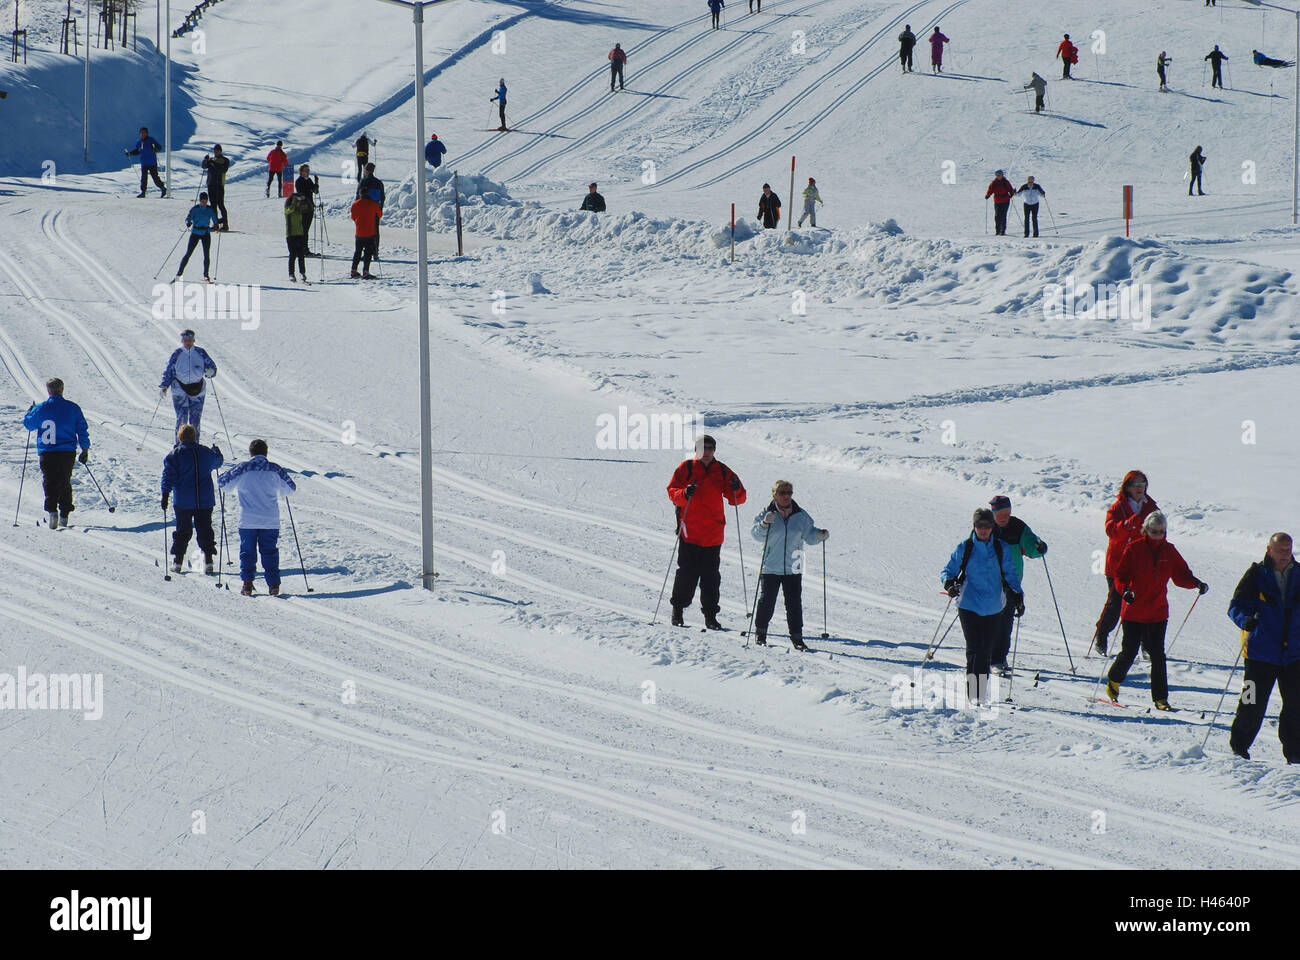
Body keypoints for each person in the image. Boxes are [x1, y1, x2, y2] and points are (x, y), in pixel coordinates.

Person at [1106, 511, 1207, 708]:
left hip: (1158, 612)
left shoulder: (1169, 551)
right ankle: (1114, 680)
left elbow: (1181, 575)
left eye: (1161, 531)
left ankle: (1161, 698)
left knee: (1158, 655)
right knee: (1130, 651)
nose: (1158, 535)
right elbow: (1121, 576)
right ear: (1146, 530)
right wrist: (1125, 591)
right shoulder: (1135, 549)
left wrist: (1196, 583)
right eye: (1154, 531)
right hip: (1134, 611)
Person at [1228, 533, 1300, 762]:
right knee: (1251, 703)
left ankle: (1295, 755)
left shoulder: (1299, 574)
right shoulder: (1256, 574)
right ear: (1269, 550)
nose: (1284, 554)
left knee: (1296, 706)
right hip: (1259, 653)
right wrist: (1245, 620)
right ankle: (1239, 748)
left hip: (1293, 655)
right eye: (1280, 550)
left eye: (1288, 550)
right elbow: (1235, 606)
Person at [941, 508, 1023, 706]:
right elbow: (948, 570)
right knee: (974, 648)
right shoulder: (965, 547)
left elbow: (1010, 575)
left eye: (987, 526)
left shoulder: (1000, 548)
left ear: (992, 527)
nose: (983, 530)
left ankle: (981, 693)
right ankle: (974, 695)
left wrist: (1018, 596)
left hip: (994, 606)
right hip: (968, 605)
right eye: (979, 526)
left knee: (986, 650)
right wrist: (950, 584)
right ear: (974, 526)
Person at [666, 434, 747, 629]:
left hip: (713, 533)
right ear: (697, 449)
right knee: (687, 574)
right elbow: (672, 492)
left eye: (710, 448)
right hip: (690, 532)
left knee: (711, 578)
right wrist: (685, 493)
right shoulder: (687, 467)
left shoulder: (722, 470)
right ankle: (678, 610)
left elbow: (738, 499)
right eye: (704, 448)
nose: (707, 452)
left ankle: (710, 616)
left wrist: (736, 489)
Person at [750, 480, 827, 651]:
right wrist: (764, 524)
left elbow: (809, 535)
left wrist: (819, 535)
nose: (786, 496)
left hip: (795, 565)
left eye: (789, 492)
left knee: (794, 603)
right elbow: (756, 535)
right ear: (774, 495)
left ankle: (797, 637)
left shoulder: (801, 515)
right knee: (767, 602)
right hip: (771, 565)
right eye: (782, 493)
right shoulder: (767, 513)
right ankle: (760, 633)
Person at [218, 439, 297, 597]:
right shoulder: (275, 469)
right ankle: (273, 585)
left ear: (251, 453)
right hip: (270, 519)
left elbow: (222, 482)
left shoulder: (243, 468)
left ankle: (247, 584)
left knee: (247, 552)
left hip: (248, 519)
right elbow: (291, 488)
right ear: (266, 452)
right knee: (269, 551)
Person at [1092, 470, 1159, 655]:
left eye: (1142, 484)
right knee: (1115, 604)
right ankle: (1102, 635)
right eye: (1136, 485)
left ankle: (1145, 644)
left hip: (1142, 565)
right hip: (1118, 565)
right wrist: (1128, 525)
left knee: (1143, 605)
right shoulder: (1118, 507)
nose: (1139, 488)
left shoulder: (1151, 507)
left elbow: (1159, 531)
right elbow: (1110, 530)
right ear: (1127, 487)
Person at [21, 377, 90, 530]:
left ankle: (52, 511)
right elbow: (82, 429)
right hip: (67, 451)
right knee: (65, 480)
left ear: (48, 391)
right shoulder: (73, 408)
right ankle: (65, 512)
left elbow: (29, 425)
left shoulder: (41, 408)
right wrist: (85, 449)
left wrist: (29, 412)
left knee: (49, 480)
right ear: (62, 389)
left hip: (47, 451)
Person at [988, 495, 1045, 672]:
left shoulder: (1018, 527)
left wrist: (1039, 548)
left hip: (1011, 582)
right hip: (989, 581)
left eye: (1007, 512)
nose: (1004, 516)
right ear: (993, 513)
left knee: (1005, 623)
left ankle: (998, 659)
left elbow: (1031, 546)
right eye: (1000, 513)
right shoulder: (986, 527)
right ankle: (990, 657)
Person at [161, 424, 223, 574]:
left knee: (183, 530)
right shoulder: (205, 452)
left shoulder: (174, 455)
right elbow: (218, 462)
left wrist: (165, 494)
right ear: (195, 436)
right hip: (205, 500)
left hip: (183, 500)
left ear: (179, 437)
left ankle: (178, 561)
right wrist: (217, 452)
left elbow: (168, 476)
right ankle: (208, 561)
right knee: (205, 529)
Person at [159, 329, 217, 441]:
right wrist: (164, 386)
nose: (188, 342)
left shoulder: (200, 353)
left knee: (195, 419)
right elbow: (169, 370)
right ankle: (179, 445)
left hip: (198, 389)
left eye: (190, 340)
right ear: (182, 341)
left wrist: (211, 371)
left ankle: (194, 444)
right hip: (180, 388)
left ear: (194, 340)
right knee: (182, 419)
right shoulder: (177, 354)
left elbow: (212, 366)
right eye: (185, 340)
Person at [174, 193, 218, 281]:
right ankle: (179, 274)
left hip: (205, 233)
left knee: (206, 254)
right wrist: (188, 223)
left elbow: (215, 221)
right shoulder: (195, 209)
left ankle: (206, 275)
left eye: (205, 201)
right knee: (188, 253)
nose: (204, 203)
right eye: (202, 201)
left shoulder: (210, 210)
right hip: (195, 233)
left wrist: (215, 226)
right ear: (200, 201)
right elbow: (188, 219)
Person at [350, 186, 382, 279]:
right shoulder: (373, 204)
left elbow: (353, 217)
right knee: (368, 253)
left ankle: (353, 270)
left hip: (359, 232)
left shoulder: (355, 204)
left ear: (360, 194)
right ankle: (365, 271)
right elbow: (380, 214)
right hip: (370, 232)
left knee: (357, 252)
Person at [126, 126, 167, 198]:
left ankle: (163, 188)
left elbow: (159, 147)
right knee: (144, 178)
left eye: (144, 133)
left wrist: (156, 149)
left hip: (152, 162)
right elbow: (137, 150)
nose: (142, 134)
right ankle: (143, 192)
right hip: (144, 163)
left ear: (147, 133)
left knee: (155, 177)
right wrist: (130, 153)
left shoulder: (151, 140)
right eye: (141, 133)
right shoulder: (139, 141)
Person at [201, 144, 232, 231]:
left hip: (219, 184)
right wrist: (205, 160)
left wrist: (213, 163)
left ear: (221, 151)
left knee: (220, 204)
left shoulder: (225, 160)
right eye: (215, 150)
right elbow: (203, 166)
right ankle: (215, 224)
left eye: (218, 150)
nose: (216, 152)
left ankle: (225, 224)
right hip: (211, 184)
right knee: (213, 205)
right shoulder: (211, 160)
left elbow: (222, 169)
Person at [359, 162, 385, 256]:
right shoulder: (378, 182)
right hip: (375, 210)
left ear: (366, 170)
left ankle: (366, 252)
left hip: (365, 211)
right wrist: (380, 209)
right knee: (375, 230)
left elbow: (359, 196)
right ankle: (375, 251)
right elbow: (382, 197)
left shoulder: (364, 181)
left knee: (365, 231)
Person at [285, 192, 311, 283]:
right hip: (291, 235)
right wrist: (294, 199)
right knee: (292, 255)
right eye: (297, 201)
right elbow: (290, 209)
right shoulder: (288, 209)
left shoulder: (299, 210)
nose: (298, 203)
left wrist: (305, 199)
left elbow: (309, 207)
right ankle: (291, 273)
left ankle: (302, 272)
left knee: (301, 255)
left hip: (299, 234)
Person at [295, 163, 320, 255]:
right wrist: (309, 190)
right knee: (303, 229)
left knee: (306, 229)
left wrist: (316, 184)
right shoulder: (299, 181)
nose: (308, 172)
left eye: (308, 170)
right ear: (301, 172)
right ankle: (301, 248)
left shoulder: (308, 180)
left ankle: (304, 248)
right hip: (303, 207)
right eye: (306, 170)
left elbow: (315, 191)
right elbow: (301, 193)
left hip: (310, 207)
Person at [985, 170, 1015, 236]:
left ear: (1002, 175)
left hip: (1005, 200)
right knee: (997, 216)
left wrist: (1011, 194)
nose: (998, 176)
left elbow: (1010, 189)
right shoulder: (994, 182)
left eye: (999, 175)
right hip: (997, 200)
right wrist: (988, 195)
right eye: (997, 175)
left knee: (1003, 215)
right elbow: (990, 189)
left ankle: (1002, 230)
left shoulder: (1006, 182)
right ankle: (997, 230)